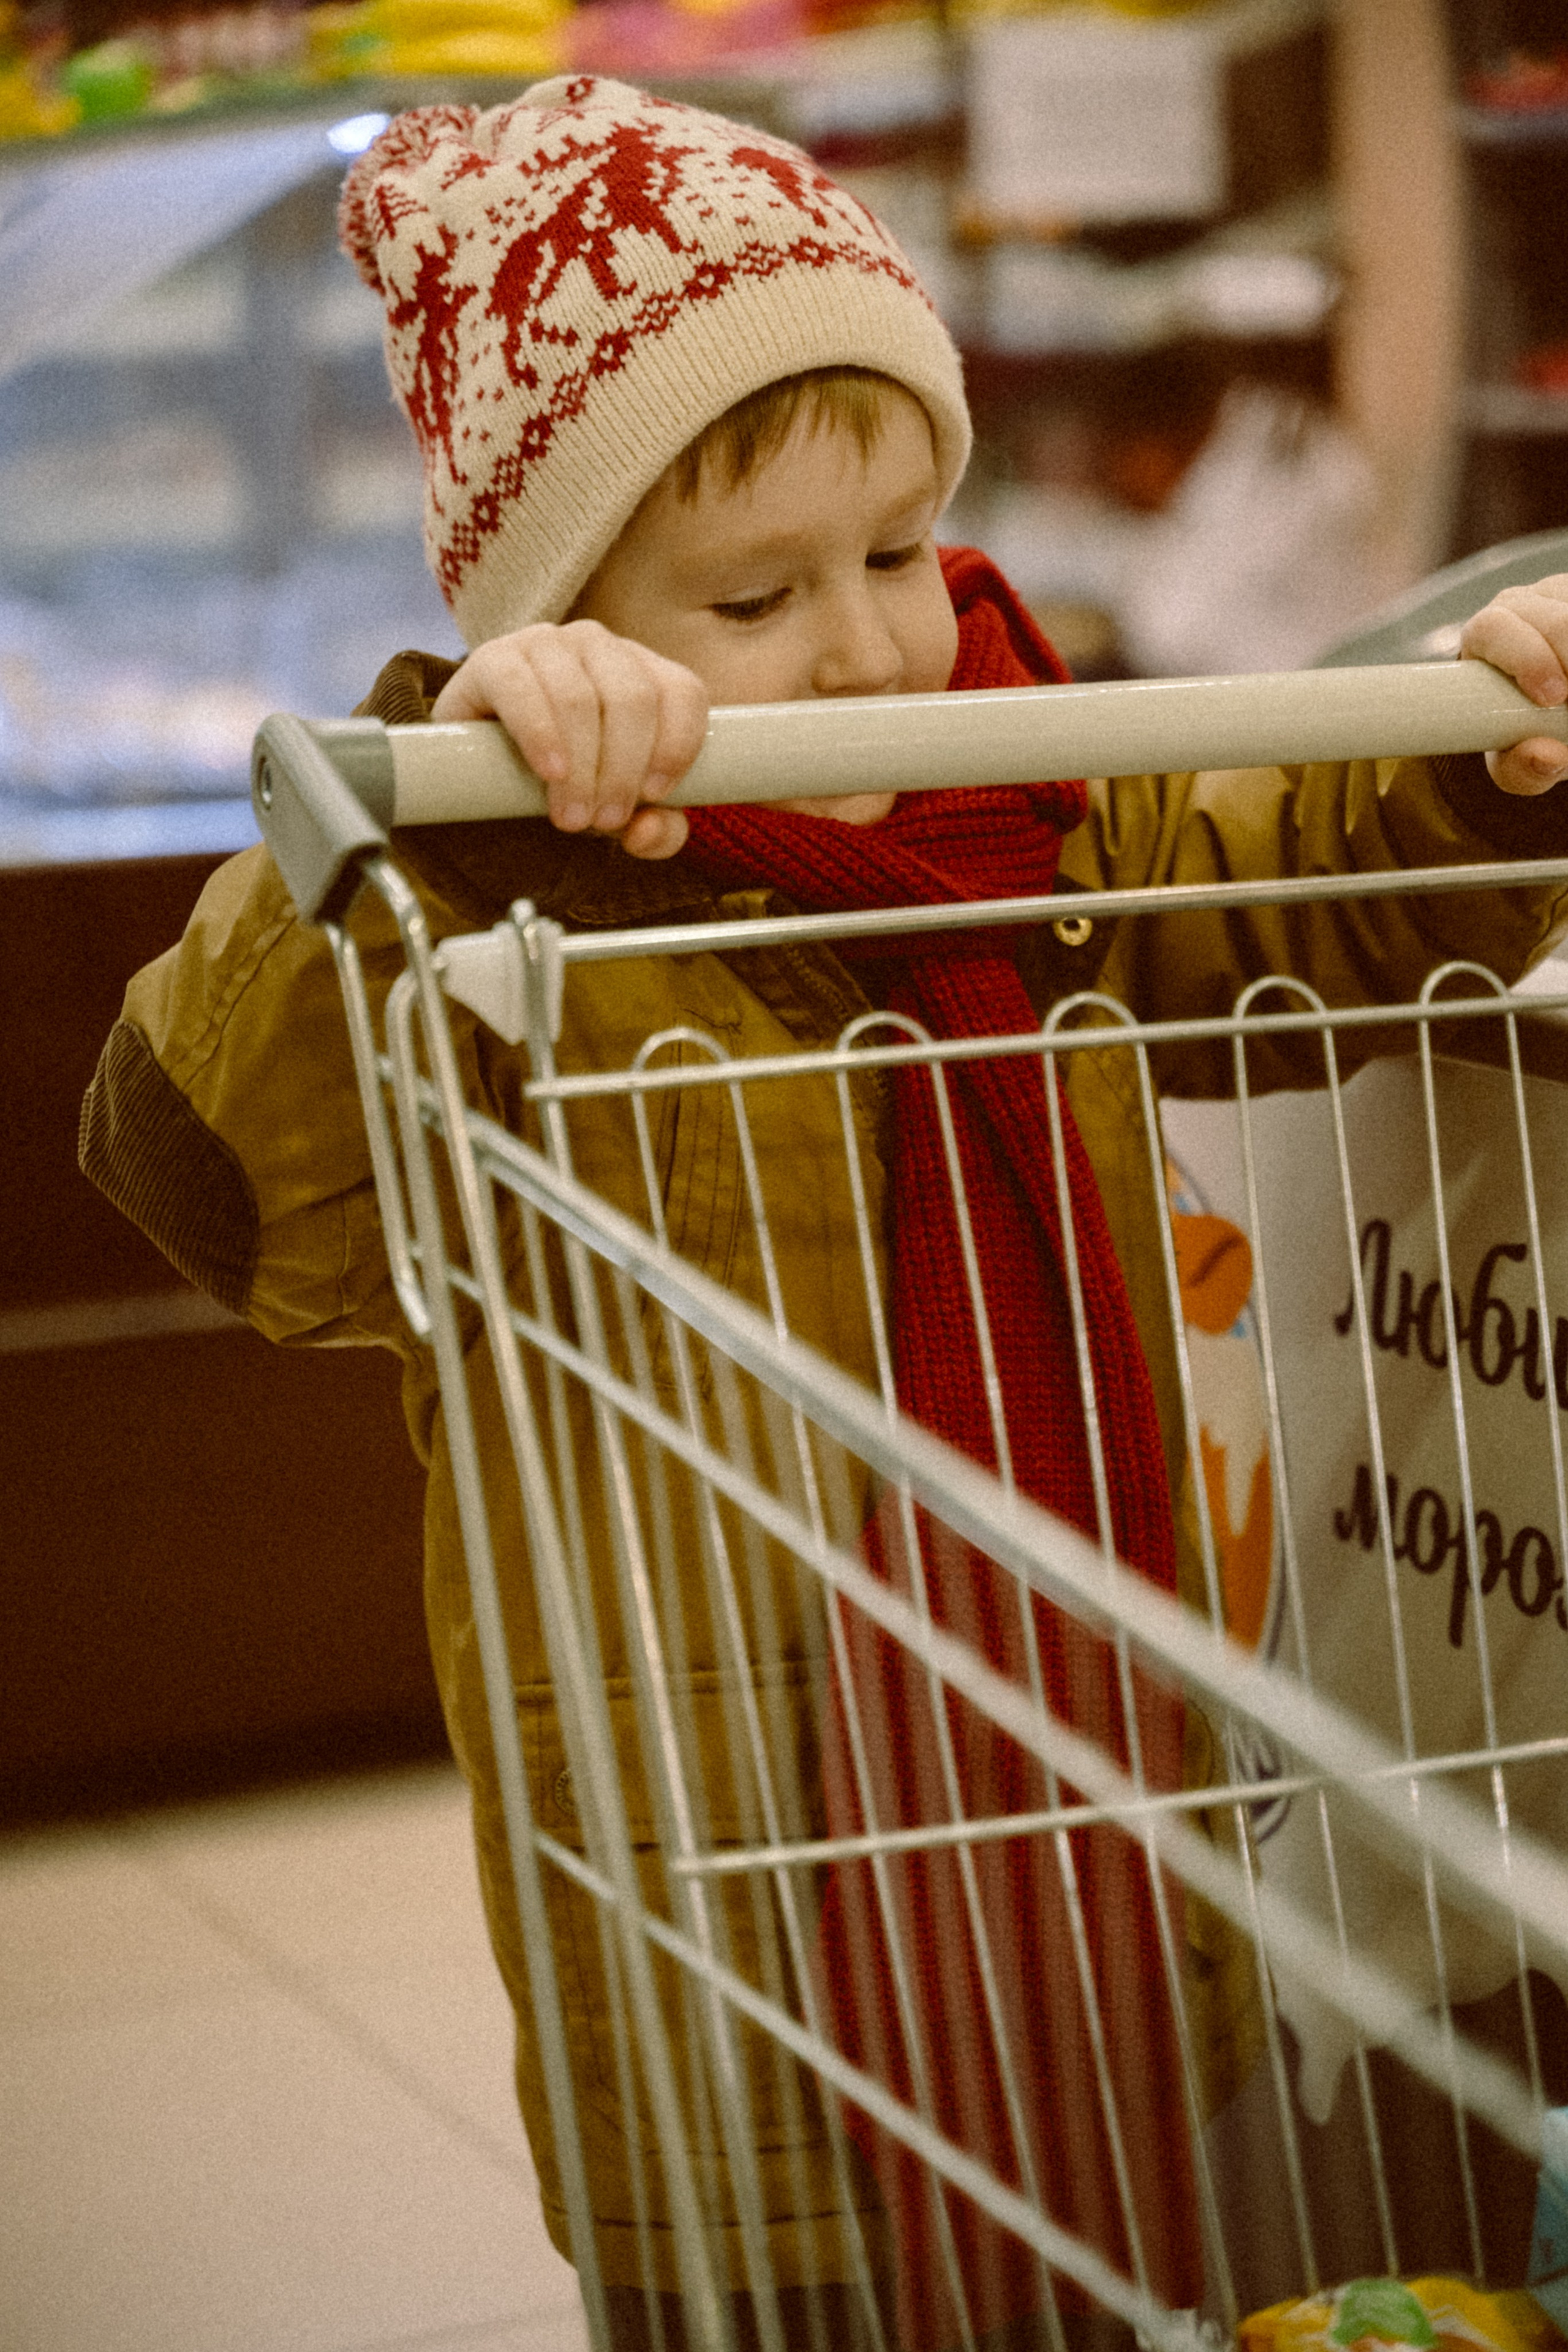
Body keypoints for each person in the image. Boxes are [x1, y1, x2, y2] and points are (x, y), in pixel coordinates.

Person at [79, 77, 1568, 2352]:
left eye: (899, 551)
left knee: (1106, 2266)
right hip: (715, 1927)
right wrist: (458, 789)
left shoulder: (1026, 809)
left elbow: (1293, 878)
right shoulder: (519, 932)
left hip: (1088, 1841)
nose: (873, 651)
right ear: (558, 611)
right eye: (754, 597)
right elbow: (207, 1171)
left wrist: (1484, 746)